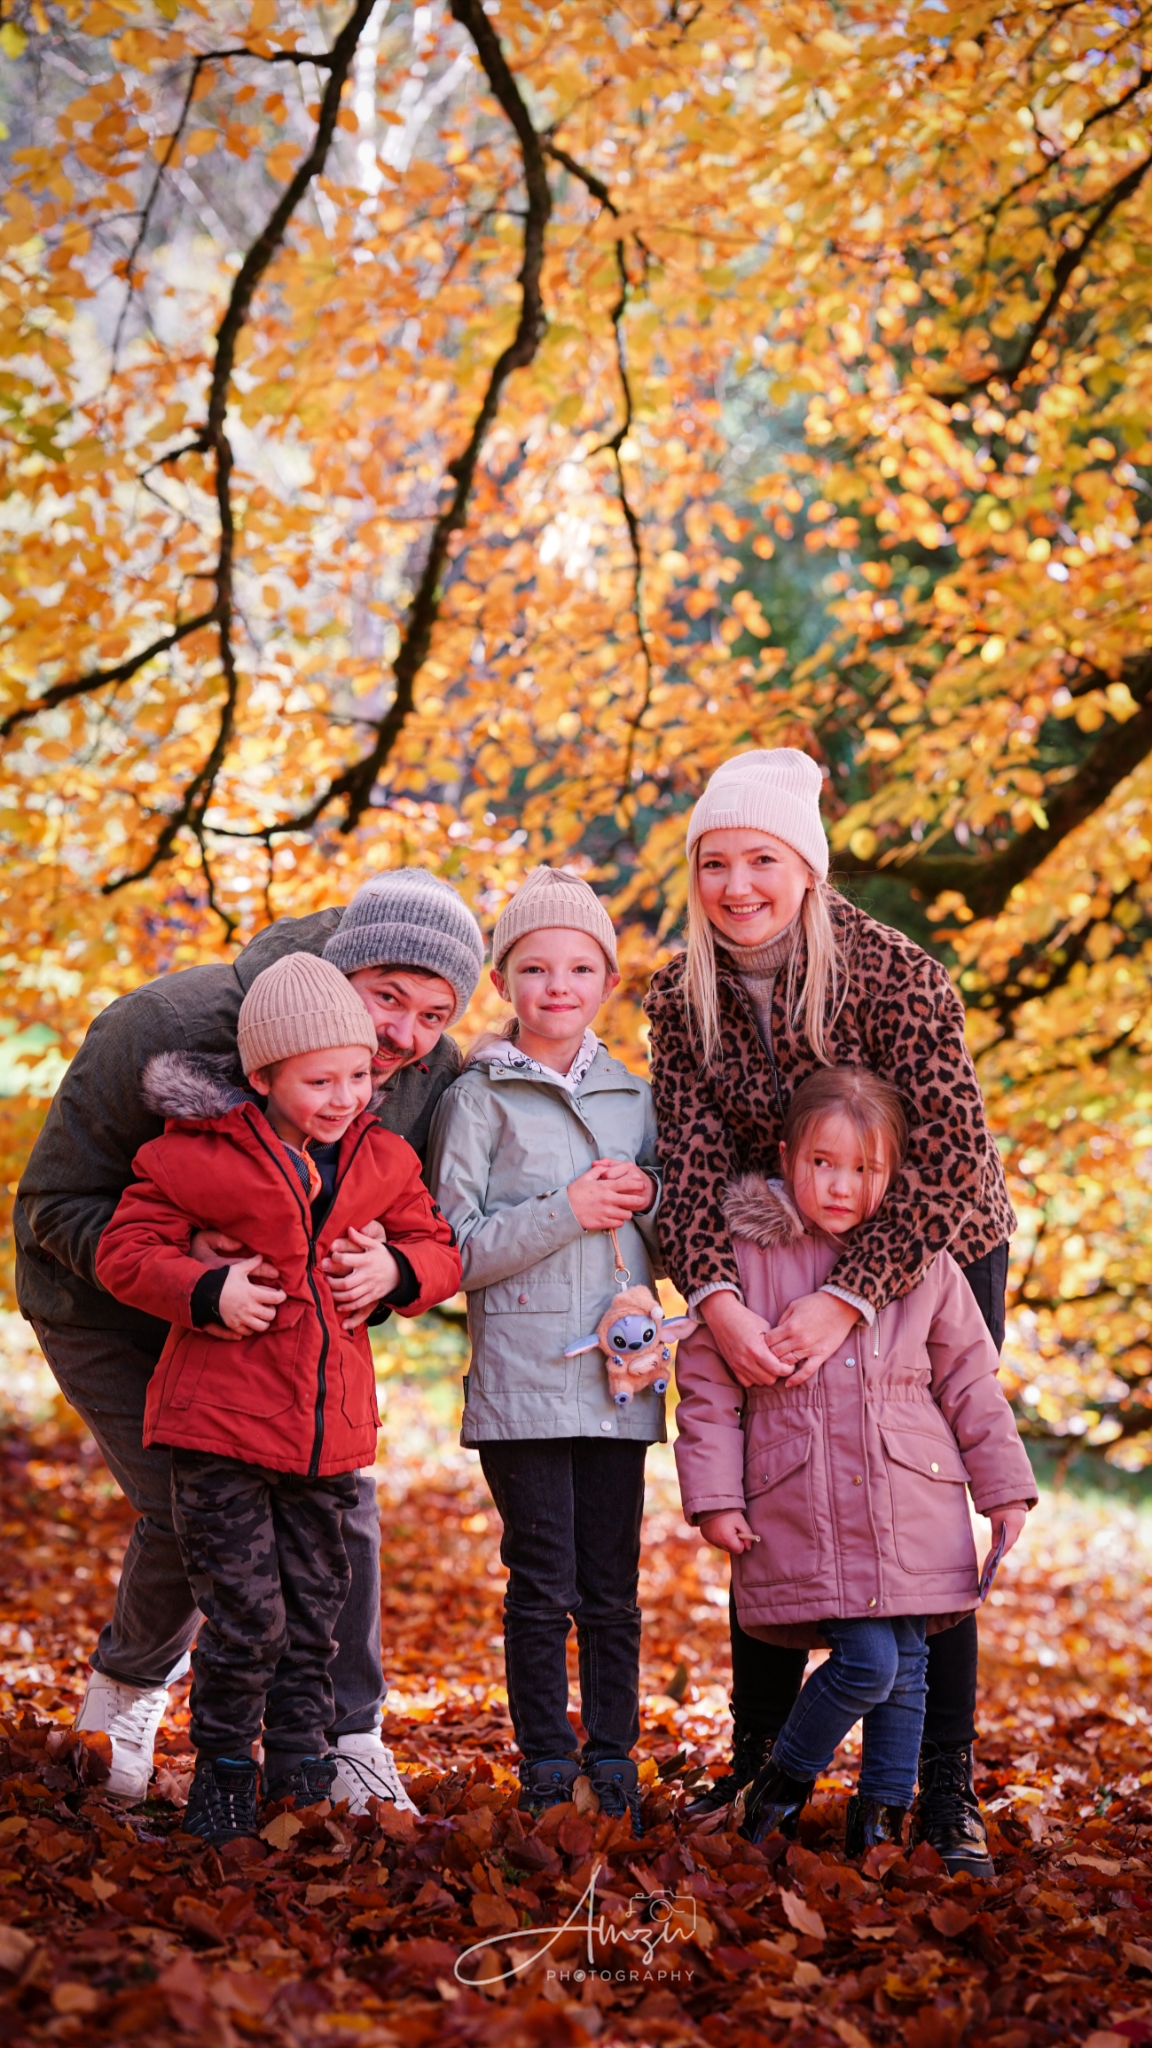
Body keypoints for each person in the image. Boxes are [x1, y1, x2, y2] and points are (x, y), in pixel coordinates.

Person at [15, 870, 484, 1808]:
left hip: (283, 1336)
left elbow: (416, 1221)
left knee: (336, 1507)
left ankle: (343, 1737)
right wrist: (190, 1267)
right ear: (337, 967)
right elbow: (51, 1205)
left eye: (432, 1013)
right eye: (385, 998)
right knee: (190, 1508)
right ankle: (129, 1700)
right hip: (105, 1307)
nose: (402, 1036)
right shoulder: (164, 1025)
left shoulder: (427, 1071)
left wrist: (391, 1270)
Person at [645, 748, 1018, 1876]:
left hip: (925, 1255)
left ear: (806, 867)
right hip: (758, 1253)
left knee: (915, 1510)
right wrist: (716, 1300)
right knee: (774, 1485)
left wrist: (850, 1298)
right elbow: (692, 1165)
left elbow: (949, 1162)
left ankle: (939, 1790)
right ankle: (763, 1756)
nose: (737, 884)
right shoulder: (682, 992)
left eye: (762, 858)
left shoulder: (897, 975)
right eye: (715, 861)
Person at [93, 954, 462, 1844]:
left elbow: (440, 1250)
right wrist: (204, 1290)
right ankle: (222, 1773)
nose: (344, 1097)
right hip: (220, 1429)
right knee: (247, 1614)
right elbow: (123, 1252)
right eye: (319, 1080)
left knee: (316, 1614)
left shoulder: (383, 1160)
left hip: (328, 1439)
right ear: (263, 1077)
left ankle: (299, 1770)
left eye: (359, 1078)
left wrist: (396, 1269)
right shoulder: (195, 1157)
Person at [674, 1066, 1034, 1857]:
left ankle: (878, 1819)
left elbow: (971, 1380)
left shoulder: (922, 1264)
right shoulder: (745, 1260)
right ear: (786, 1156)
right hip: (806, 1503)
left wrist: (1003, 1489)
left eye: (865, 1170)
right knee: (869, 1662)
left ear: (894, 1175)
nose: (841, 1186)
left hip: (911, 1500)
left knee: (906, 1662)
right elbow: (707, 1390)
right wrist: (713, 1497)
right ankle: (782, 1780)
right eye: (823, 1163)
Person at [427, 868, 661, 1831]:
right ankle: (543, 1761)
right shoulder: (479, 1099)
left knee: (612, 1590)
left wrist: (656, 1203)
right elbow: (454, 1250)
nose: (556, 986)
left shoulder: (637, 1099)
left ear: (605, 980)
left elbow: (670, 1241)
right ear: (503, 982)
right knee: (542, 1582)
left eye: (577, 967)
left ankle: (613, 1764)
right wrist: (566, 1210)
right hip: (525, 1383)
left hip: (620, 1381)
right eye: (534, 968)